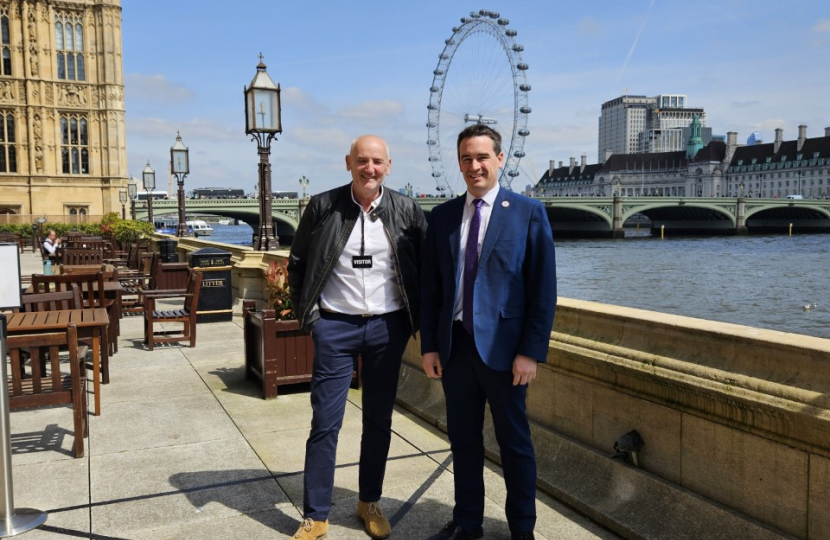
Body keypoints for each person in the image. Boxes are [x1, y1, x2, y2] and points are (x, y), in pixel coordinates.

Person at [420, 124, 557, 540]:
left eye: (482, 157)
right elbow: (431, 289)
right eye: (466, 158)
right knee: (463, 442)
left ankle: (522, 529)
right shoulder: (442, 217)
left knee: (515, 445)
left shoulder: (528, 212)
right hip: (456, 347)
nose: (474, 166)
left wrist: (530, 352)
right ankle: (468, 523)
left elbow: (543, 289)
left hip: (506, 351)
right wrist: (429, 346)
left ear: (500, 159)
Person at [287, 134, 427, 540]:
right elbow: (297, 265)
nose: (370, 168)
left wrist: (415, 322)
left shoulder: (406, 209)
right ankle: (316, 514)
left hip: (387, 327)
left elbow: (427, 267)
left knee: (379, 421)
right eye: (362, 161)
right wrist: (311, 319)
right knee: (325, 423)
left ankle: (369, 501)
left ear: (389, 165)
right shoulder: (323, 206)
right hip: (335, 326)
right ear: (349, 162)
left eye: (377, 162)